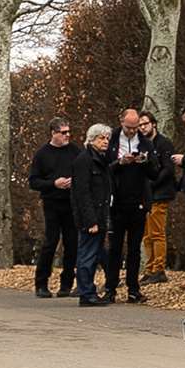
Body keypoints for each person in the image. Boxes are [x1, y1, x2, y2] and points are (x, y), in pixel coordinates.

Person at [105, 104, 155, 302]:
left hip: (138, 201)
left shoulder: (145, 143)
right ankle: (110, 288)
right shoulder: (110, 140)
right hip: (116, 201)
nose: (133, 131)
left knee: (134, 248)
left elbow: (155, 172)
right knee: (115, 248)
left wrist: (145, 162)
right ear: (121, 122)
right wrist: (120, 163)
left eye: (136, 128)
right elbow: (103, 169)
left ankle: (133, 289)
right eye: (129, 127)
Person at [25, 120, 80, 297]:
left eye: (68, 132)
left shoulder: (75, 151)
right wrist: (53, 184)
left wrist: (74, 181)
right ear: (53, 133)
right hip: (52, 202)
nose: (67, 135)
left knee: (72, 243)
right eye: (63, 132)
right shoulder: (42, 154)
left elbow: (83, 171)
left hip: (71, 202)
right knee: (51, 242)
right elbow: (34, 181)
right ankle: (41, 283)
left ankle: (67, 283)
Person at [70, 123, 116, 306]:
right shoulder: (84, 160)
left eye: (107, 138)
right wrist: (90, 220)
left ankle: (89, 291)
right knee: (87, 255)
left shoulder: (101, 160)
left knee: (95, 253)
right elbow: (82, 192)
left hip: (100, 214)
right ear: (92, 140)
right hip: (91, 217)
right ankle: (86, 293)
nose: (105, 142)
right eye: (101, 138)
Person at [138, 110, 172, 283]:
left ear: (154, 124)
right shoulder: (141, 145)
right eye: (140, 125)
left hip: (159, 193)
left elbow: (168, 169)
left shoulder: (164, 143)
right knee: (146, 235)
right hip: (145, 195)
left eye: (145, 124)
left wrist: (153, 184)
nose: (142, 128)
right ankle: (150, 268)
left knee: (157, 233)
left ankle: (159, 268)